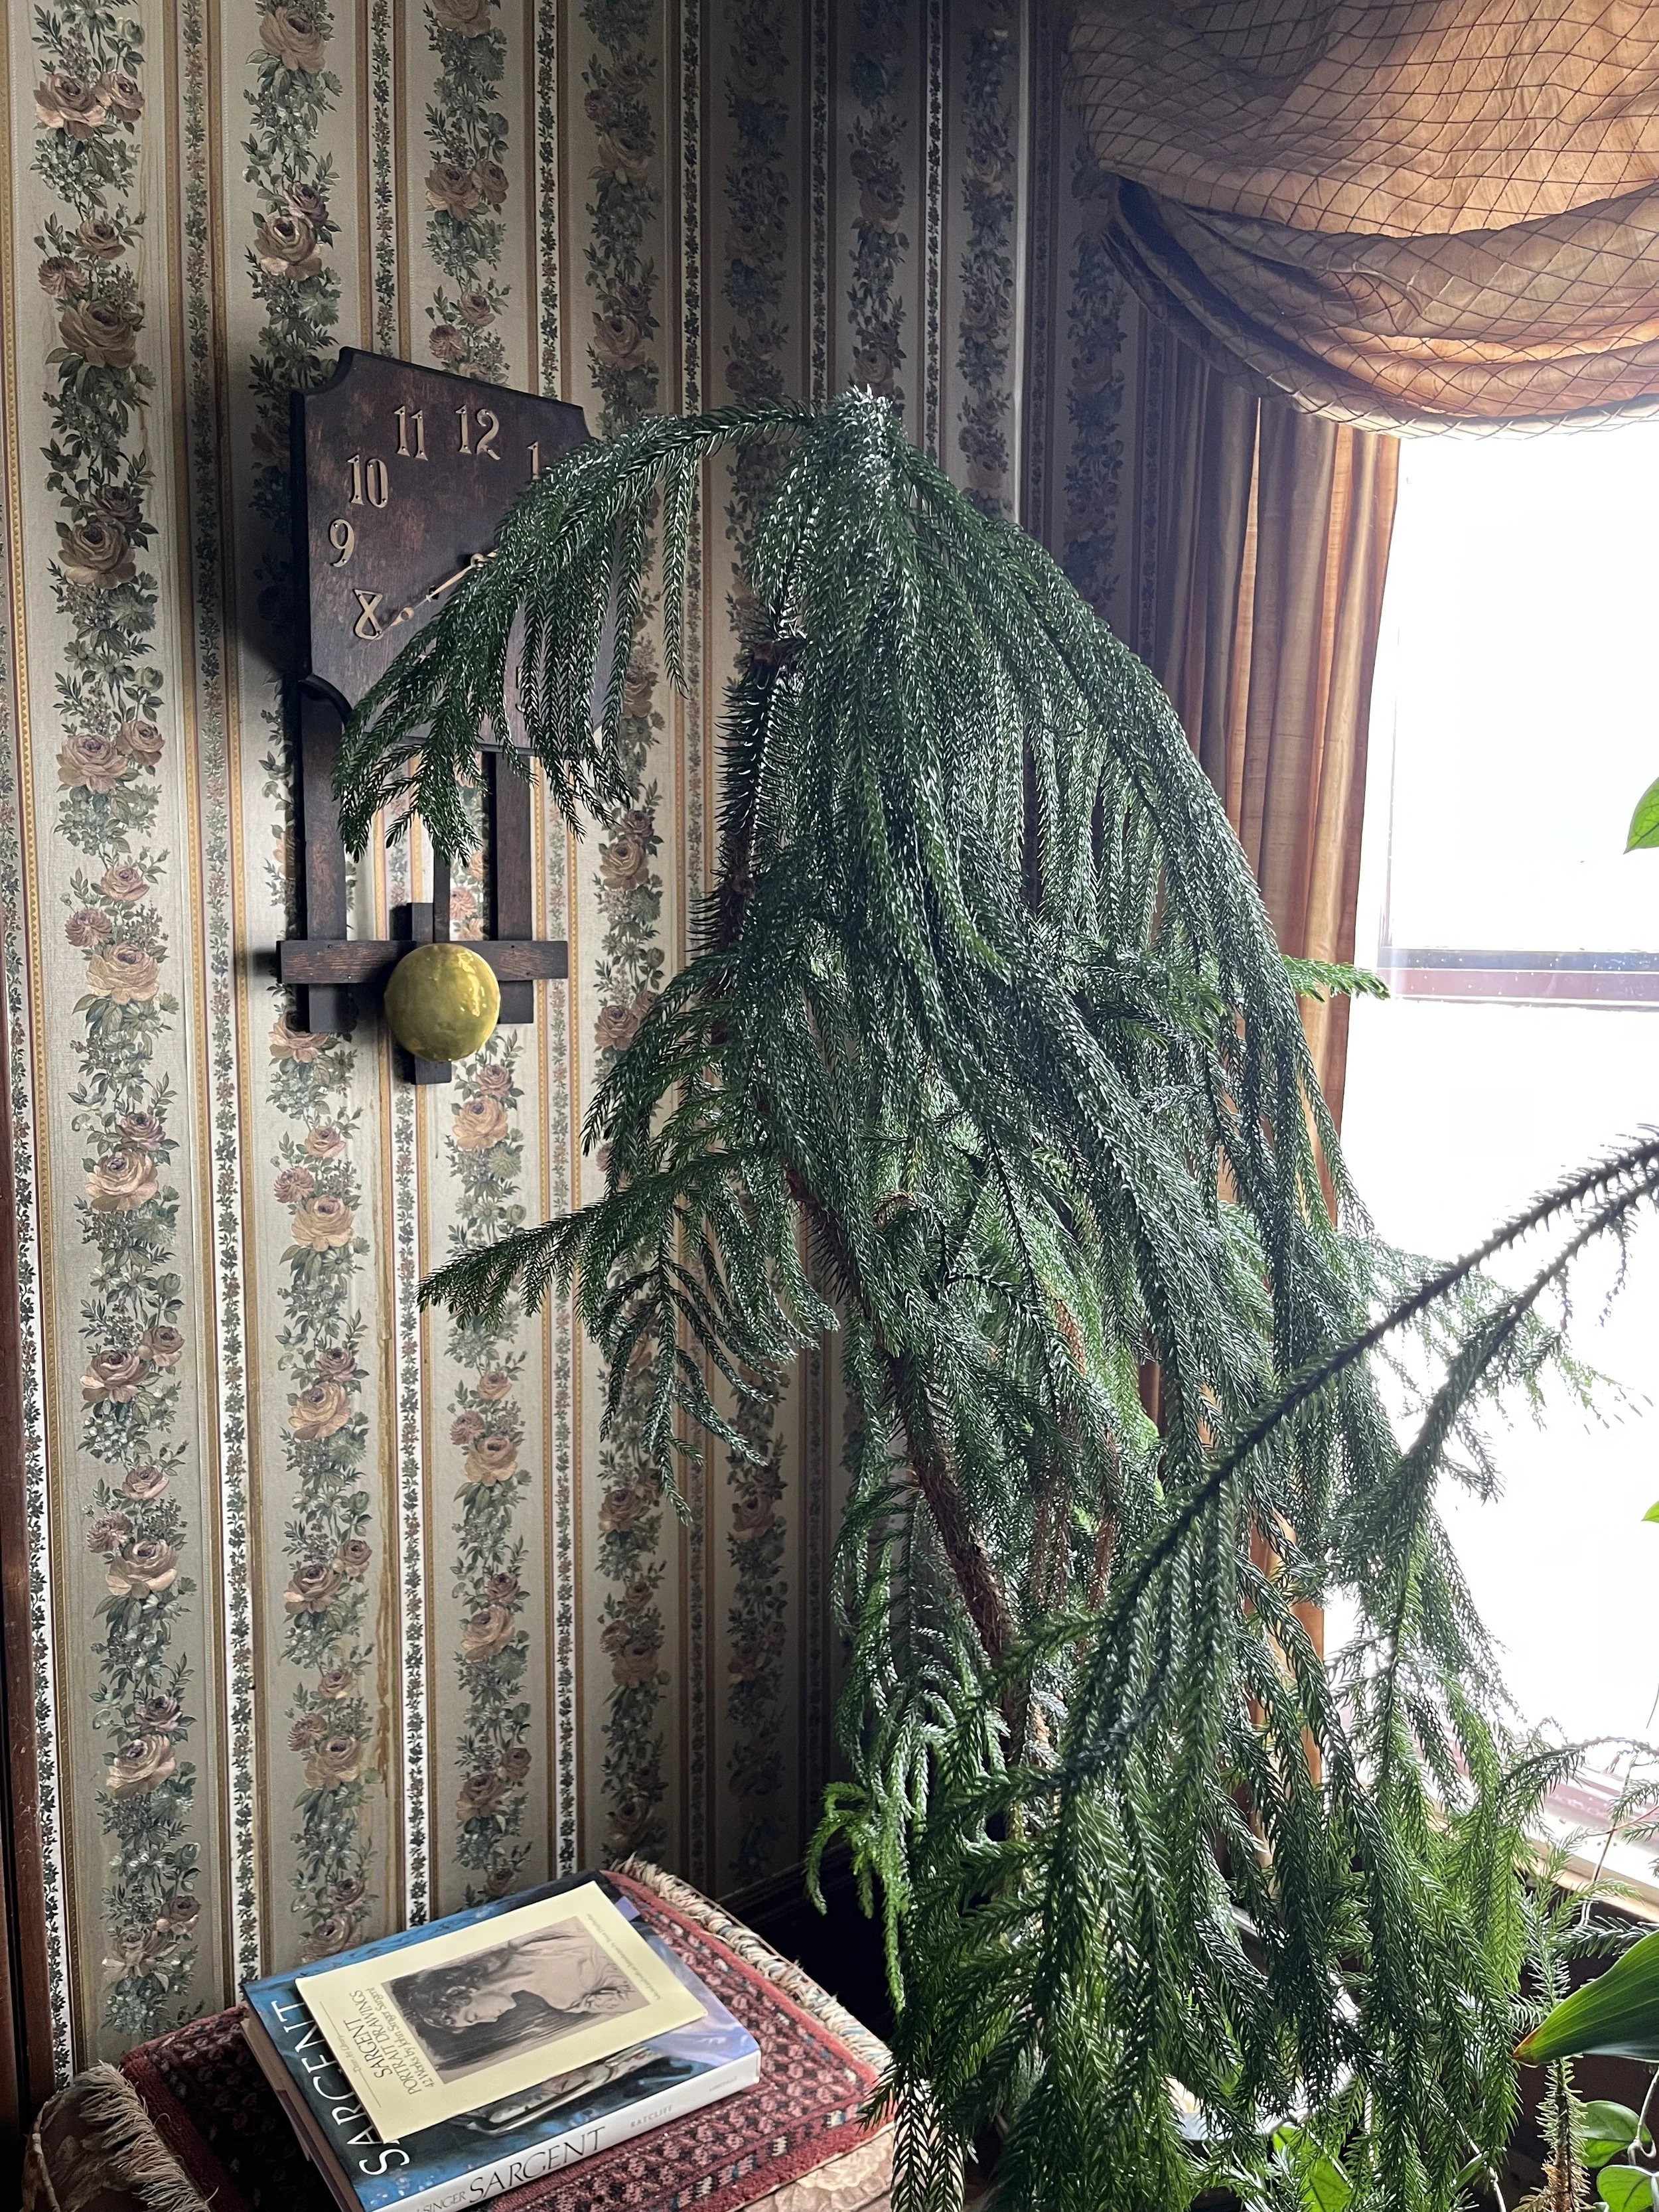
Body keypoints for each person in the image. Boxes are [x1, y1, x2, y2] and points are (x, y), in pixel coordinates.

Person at [390, 1923, 644, 2077]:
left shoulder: (527, 1939)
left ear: (463, 1991)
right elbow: (642, 1998)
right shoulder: (567, 2002)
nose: (490, 2020)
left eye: (474, 2017)